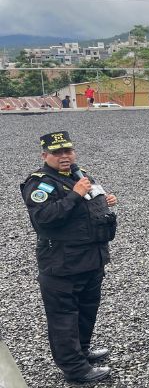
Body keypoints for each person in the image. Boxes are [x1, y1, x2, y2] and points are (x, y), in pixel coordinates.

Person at [21, 131, 118, 383]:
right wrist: (75, 194)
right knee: (64, 317)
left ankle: (82, 352)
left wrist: (106, 200)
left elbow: (92, 201)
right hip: (62, 263)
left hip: (91, 258)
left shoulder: (80, 173)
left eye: (68, 151)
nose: (64, 157)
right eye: (57, 153)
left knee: (87, 310)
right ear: (45, 155)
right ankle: (75, 370)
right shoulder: (39, 183)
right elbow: (43, 219)